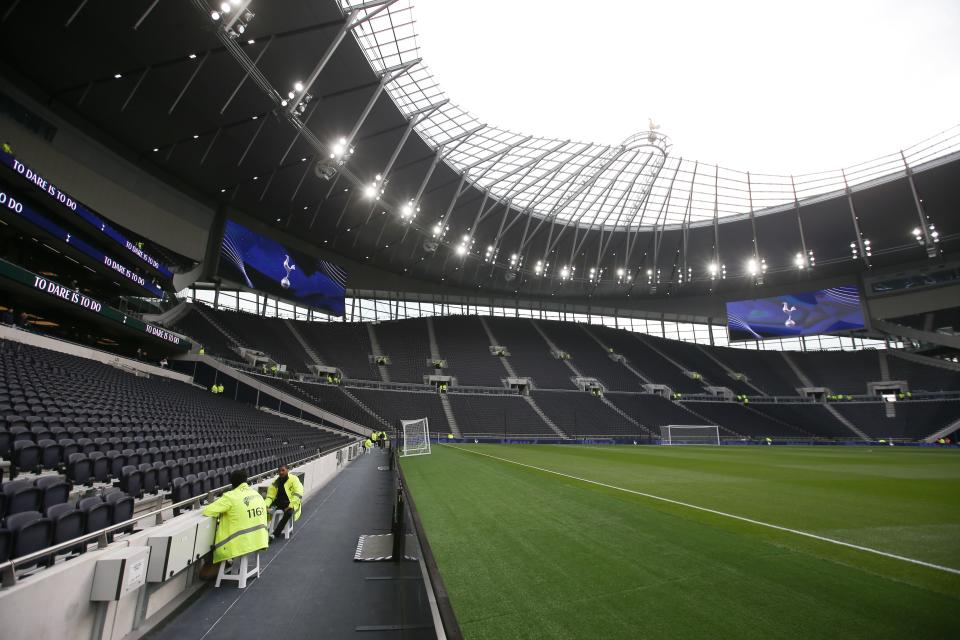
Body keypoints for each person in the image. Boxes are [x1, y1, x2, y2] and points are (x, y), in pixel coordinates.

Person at [202, 470, 269, 565]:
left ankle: (221, 567)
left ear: (232, 483)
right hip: (259, 540)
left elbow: (208, 511)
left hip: (239, 545)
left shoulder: (230, 496)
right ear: (246, 480)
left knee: (210, 548)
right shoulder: (256, 494)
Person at [264, 464, 303, 540]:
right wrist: (265, 505)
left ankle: (274, 535)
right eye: (279, 471)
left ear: (287, 470)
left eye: (283, 470)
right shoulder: (275, 483)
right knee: (265, 511)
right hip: (278, 503)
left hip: (290, 503)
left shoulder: (294, 479)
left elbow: (299, 492)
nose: (281, 472)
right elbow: (270, 496)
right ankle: (264, 532)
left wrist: (290, 505)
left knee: (288, 513)